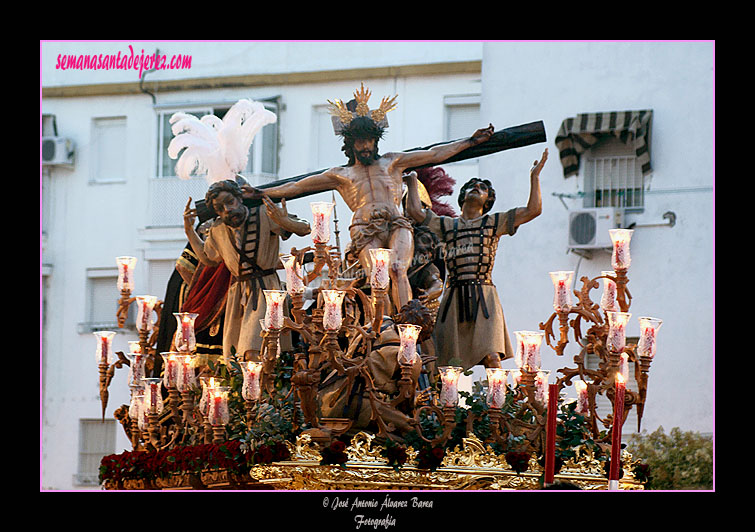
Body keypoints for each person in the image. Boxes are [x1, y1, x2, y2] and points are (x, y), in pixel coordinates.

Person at [243, 83, 494, 313]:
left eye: (370, 140)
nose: (365, 146)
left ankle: (408, 324)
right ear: (350, 144)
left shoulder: (393, 161)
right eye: (360, 141)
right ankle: (383, 327)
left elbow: (434, 154)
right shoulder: (340, 175)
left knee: (398, 269)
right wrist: (261, 193)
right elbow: (296, 186)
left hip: (396, 222)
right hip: (364, 228)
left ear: (376, 141)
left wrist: (470, 141)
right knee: (378, 276)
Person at [405, 149, 548, 370]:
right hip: (454, 297)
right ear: (462, 196)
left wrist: (534, 177)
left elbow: (533, 209)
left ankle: (499, 403)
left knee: (492, 357)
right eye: (472, 185)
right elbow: (415, 211)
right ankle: (444, 403)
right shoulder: (447, 225)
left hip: (484, 297)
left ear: (487, 200)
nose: (476, 188)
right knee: (446, 365)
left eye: (482, 188)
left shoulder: (493, 222)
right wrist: (412, 181)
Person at [183, 179, 311, 364]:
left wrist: (284, 221)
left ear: (240, 198)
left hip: (266, 291)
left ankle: (261, 386)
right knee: (234, 356)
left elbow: (305, 228)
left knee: (255, 349)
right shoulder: (218, 228)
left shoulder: (265, 214)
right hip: (238, 294)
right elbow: (208, 258)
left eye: (230, 201)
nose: (227, 209)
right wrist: (189, 231)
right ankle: (244, 389)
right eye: (219, 208)